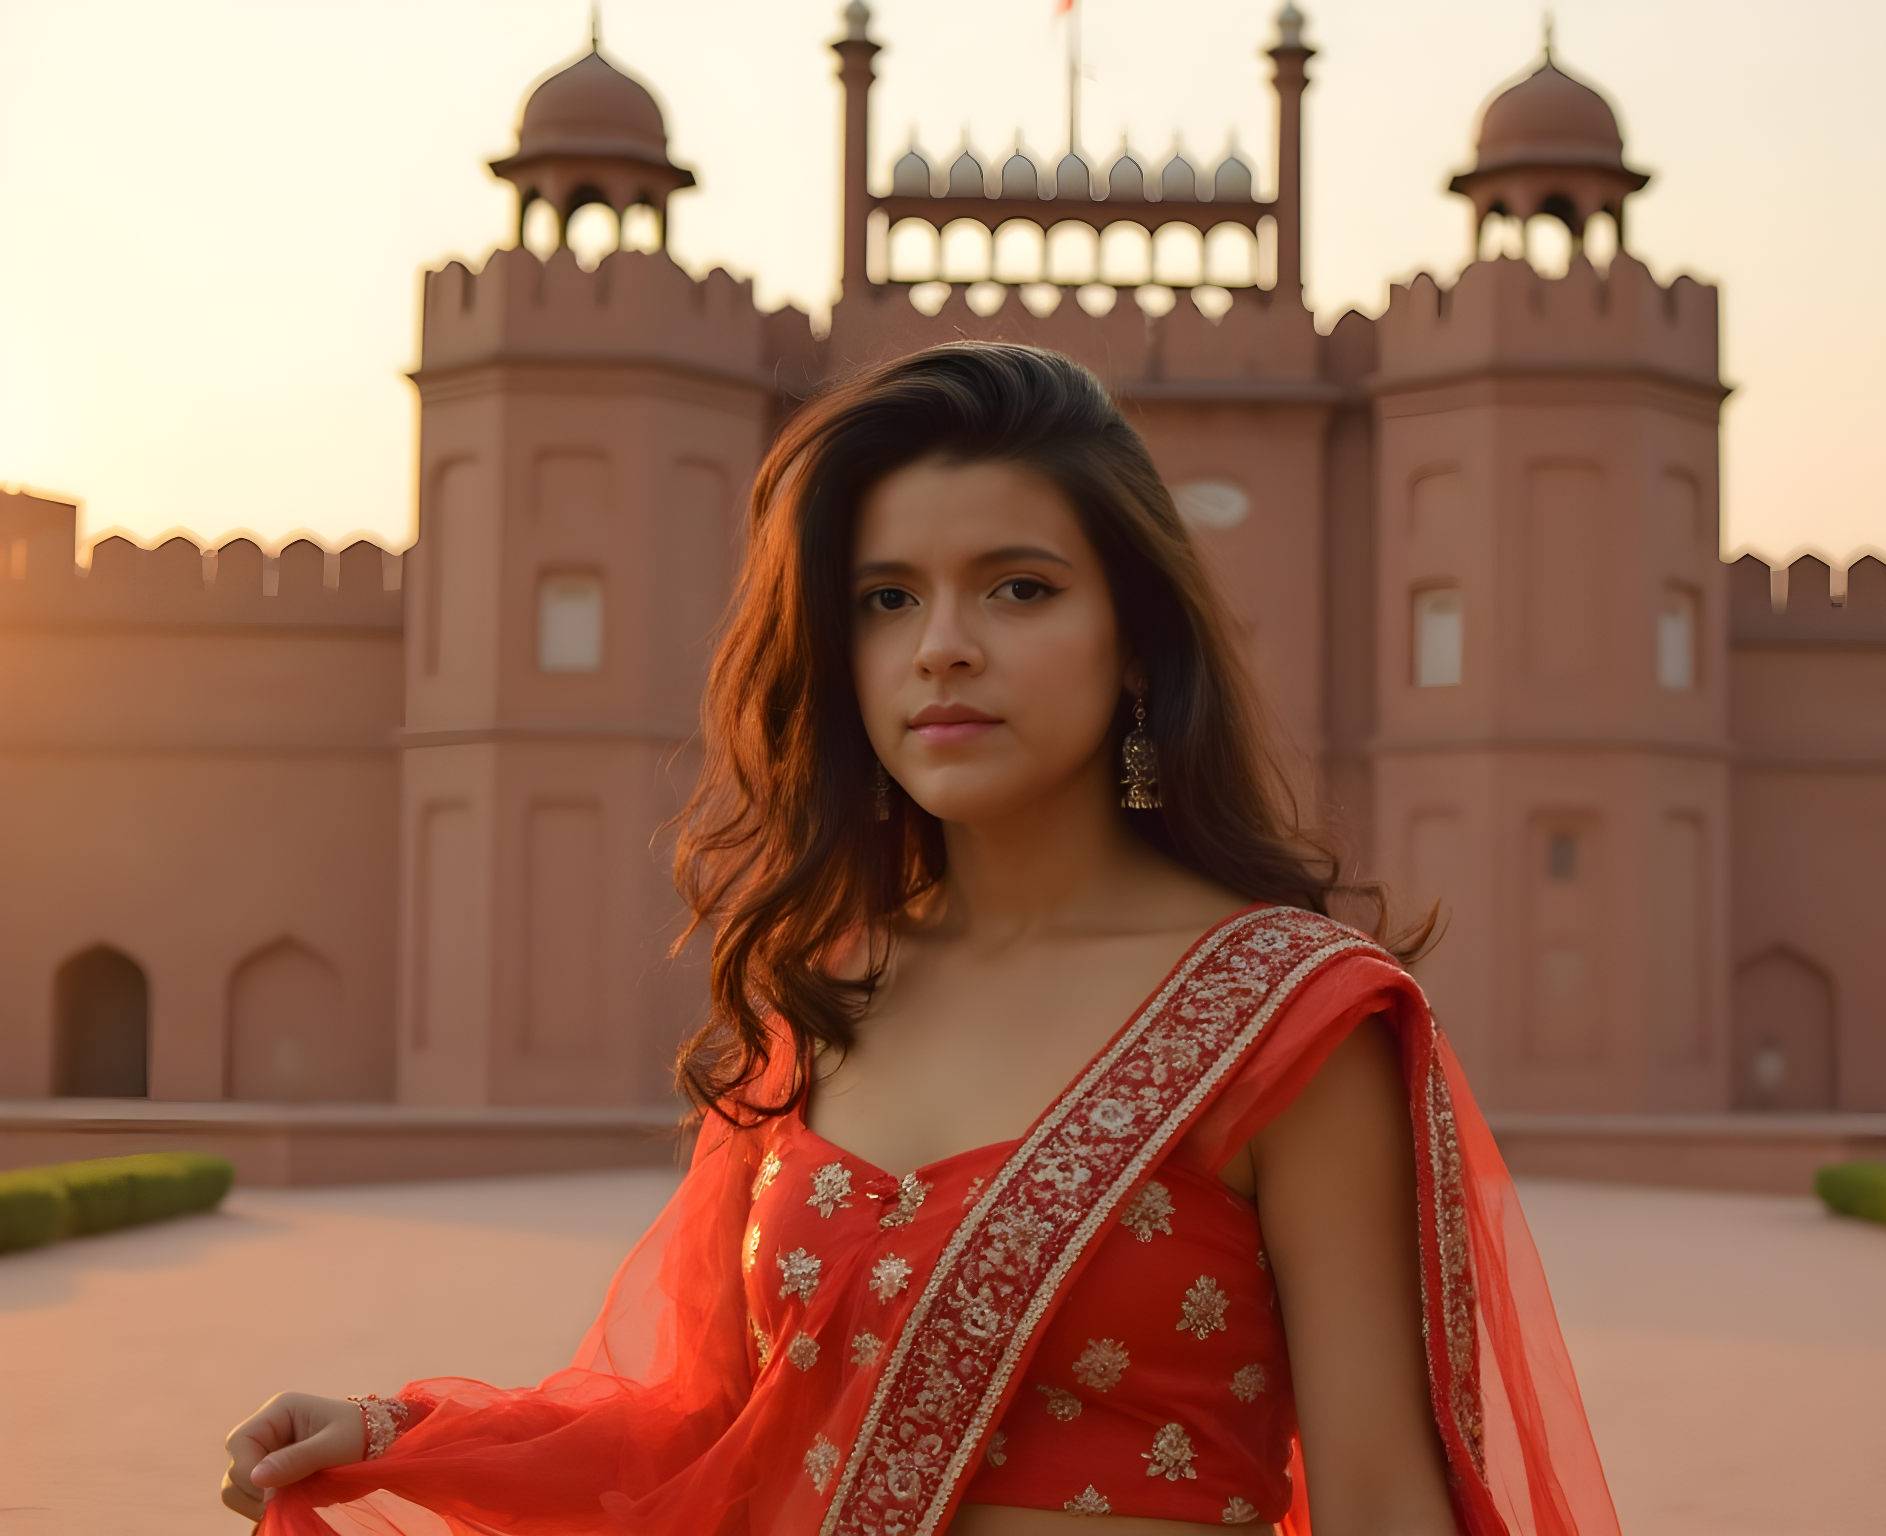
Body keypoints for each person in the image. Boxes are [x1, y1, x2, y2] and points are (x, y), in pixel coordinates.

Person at [223, 343, 1618, 1535]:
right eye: (888, 599)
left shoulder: (1288, 1022)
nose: (942, 647)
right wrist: (386, 1430)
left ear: (1136, 639)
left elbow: (1382, 1500)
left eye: (1019, 588)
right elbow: (707, 1426)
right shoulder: (825, 994)